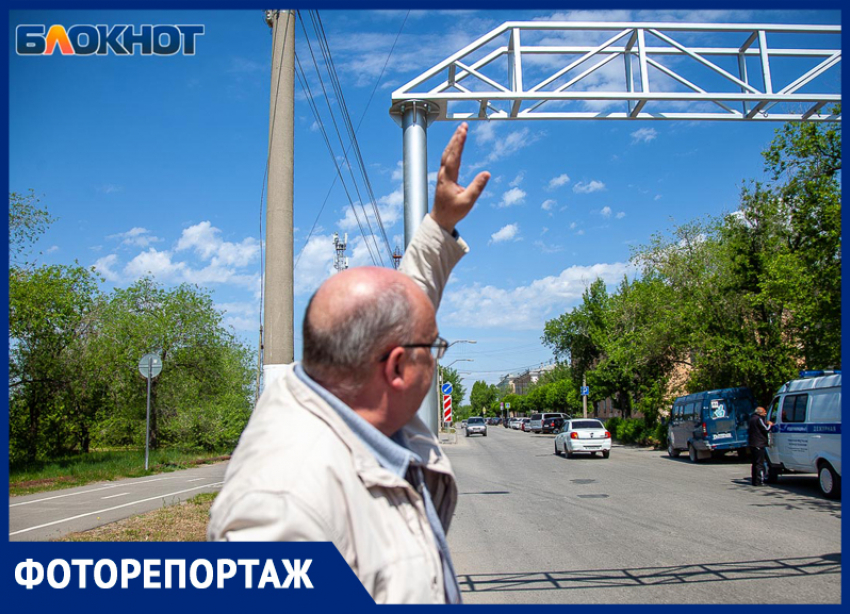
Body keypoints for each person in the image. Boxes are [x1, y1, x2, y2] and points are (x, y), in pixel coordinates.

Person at [207, 123, 490, 604]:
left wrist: (439, 225)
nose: (435, 358)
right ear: (396, 369)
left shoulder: (350, 400)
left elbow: (401, 304)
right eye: (434, 349)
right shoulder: (282, 511)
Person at [747, 406, 773, 486]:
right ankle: (759, 481)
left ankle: (754, 481)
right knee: (759, 464)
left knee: (754, 463)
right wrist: (770, 425)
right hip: (759, 444)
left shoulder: (751, 419)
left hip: (752, 444)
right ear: (760, 413)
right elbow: (765, 429)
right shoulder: (758, 419)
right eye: (764, 412)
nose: (765, 414)